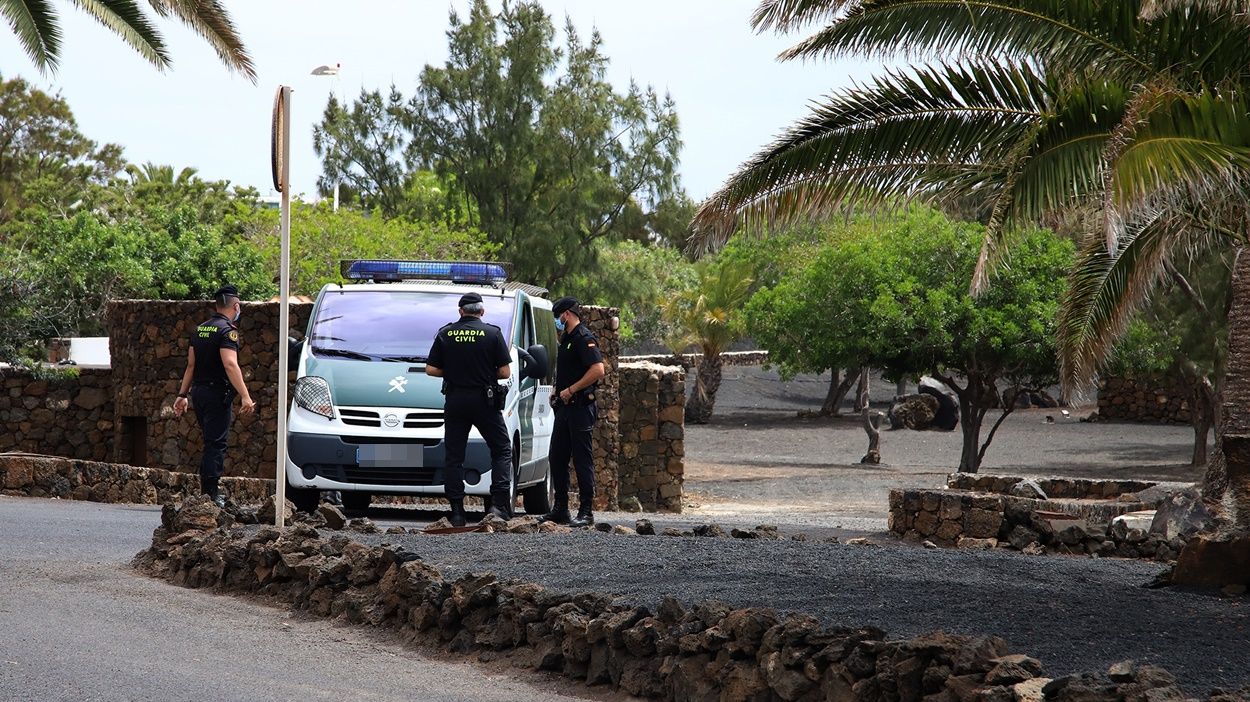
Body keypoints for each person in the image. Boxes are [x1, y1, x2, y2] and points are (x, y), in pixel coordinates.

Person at [425, 291, 514, 527]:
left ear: (460, 311)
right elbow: (505, 373)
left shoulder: (445, 333)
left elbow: (430, 369)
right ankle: (498, 506)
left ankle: (456, 512)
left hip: (455, 399)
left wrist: (454, 372)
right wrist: (483, 372)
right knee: (502, 449)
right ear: (482, 311)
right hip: (484, 400)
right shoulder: (493, 333)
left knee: (454, 456)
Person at [173, 284, 257, 507]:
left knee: (210, 442)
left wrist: (182, 395)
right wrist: (246, 396)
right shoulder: (227, 331)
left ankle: (207, 490)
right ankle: (210, 493)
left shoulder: (200, 330)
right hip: (217, 393)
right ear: (236, 306)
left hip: (199, 393)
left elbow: (191, 366)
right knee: (216, 444)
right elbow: (230, 364)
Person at [539, 296, 606, 527]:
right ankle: (560, 509)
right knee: (557, 457)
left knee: (582, 459)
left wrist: (571, 390)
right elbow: (569, 368)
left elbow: (598, 370)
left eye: (558, 316)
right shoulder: (567, 338)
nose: (557, 321)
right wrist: (557, 390)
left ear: (566, 314)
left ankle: (586, 511)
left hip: (580, 408)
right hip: (564, 408)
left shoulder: (583, 337)